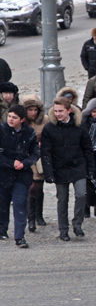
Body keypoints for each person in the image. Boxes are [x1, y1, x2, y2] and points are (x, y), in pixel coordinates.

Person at [41, 97, 94, 241]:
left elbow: (87, 148)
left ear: (68, 111)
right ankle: (63, 229)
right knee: (62, 199)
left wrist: (90, 169)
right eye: (55, 111)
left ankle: (77, 224)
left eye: (61, 111)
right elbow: (45, 152)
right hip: (60, 168)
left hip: (78, 166)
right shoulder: (49, 128)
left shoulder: (79, 126)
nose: (58, 114)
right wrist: (48, 172)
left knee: (82, 194)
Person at [0, 105, 40, 248]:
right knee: (3, 205)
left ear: (22, 120)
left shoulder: (29, 133)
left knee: (20, 204)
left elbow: (35, 152)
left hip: (22, 176)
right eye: (9, 116)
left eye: (14, 117)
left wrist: (24, 163)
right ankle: (2, 230)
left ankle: (19, 237)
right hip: (3, 174)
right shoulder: (2, 130)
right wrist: (12, 163)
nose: (11, 119)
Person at [21, 95, 47, 231]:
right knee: (31, 188)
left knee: (39, 188)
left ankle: (39, 215)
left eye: (35, 109)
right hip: (26, 159)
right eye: (29, 109)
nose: (32, 112)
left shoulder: (45, 121)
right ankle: (31, 219)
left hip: (39, 158)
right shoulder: (20, 123)